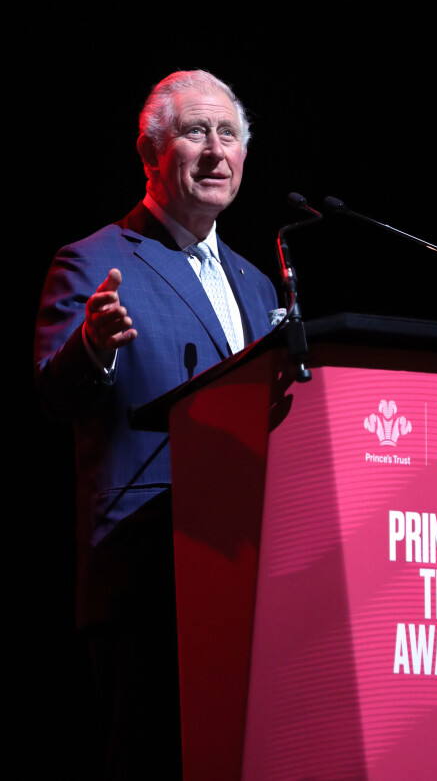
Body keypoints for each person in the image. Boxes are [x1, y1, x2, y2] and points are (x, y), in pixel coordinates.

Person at [34, 69, 279, 780]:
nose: (214, 150)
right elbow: (53, 394)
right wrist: (91, 347)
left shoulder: (258, 283)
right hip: (146, 581)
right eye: (194, 132)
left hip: (247, 576)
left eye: (227, 134)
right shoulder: (94, 260)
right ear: (151, 153)